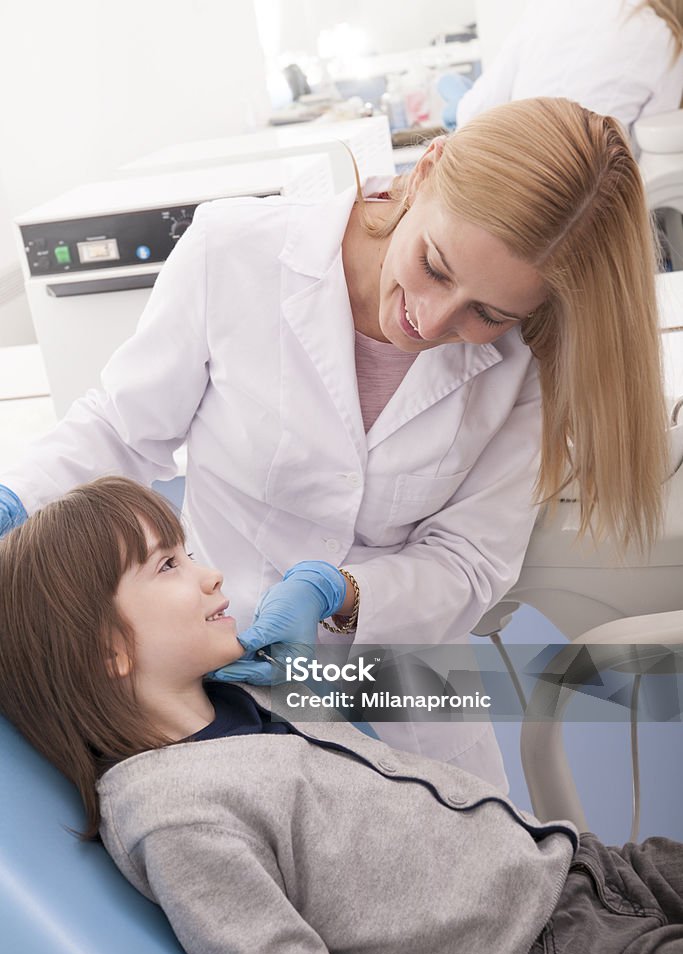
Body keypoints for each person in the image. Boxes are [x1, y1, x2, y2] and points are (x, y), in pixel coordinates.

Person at [0, 97, 669, 780]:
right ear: (425, 169)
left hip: (405, 691)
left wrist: (338, 591)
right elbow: (121, 426)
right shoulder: (234, 250)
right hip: (228, 669)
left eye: (487, 312)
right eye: (434, 265)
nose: (431, 320)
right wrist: (17, 499)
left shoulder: (530, 356)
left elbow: (468, 562)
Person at [0, 476, 682, 954]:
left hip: (577, 871)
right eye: (169, 564)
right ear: (108, 648)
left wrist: (331, 598)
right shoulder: (179, 815)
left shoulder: (247, 700)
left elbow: (422, 711)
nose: (210, 575)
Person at [456, 0, 683, 140]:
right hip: (595, 198)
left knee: (453, 91)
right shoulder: (668, 40)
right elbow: (653, 145)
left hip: (514, 182)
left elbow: (472, 111)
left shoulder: (551, 5)